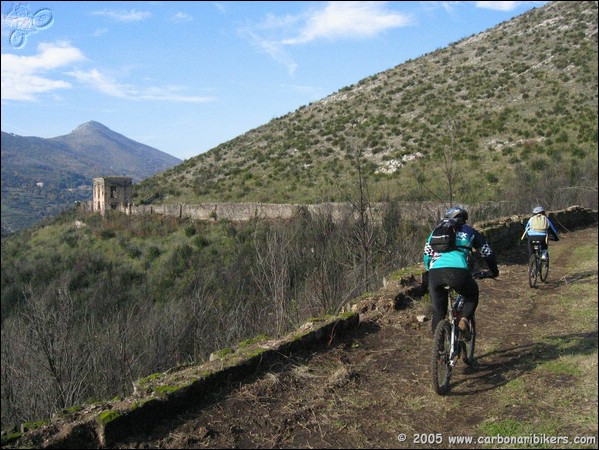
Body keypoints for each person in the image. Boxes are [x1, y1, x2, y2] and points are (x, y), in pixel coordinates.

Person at [423, 207, 499, 339]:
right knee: (471, 293)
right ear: (464, 220)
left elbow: (426, 253)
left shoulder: (437, 231)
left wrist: (430, 270)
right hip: (458, 272)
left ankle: (439, 351)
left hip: (435, 273)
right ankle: (464, 321)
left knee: (438, 312)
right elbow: (487, 252)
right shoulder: (470, 231)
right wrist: (493, 271)